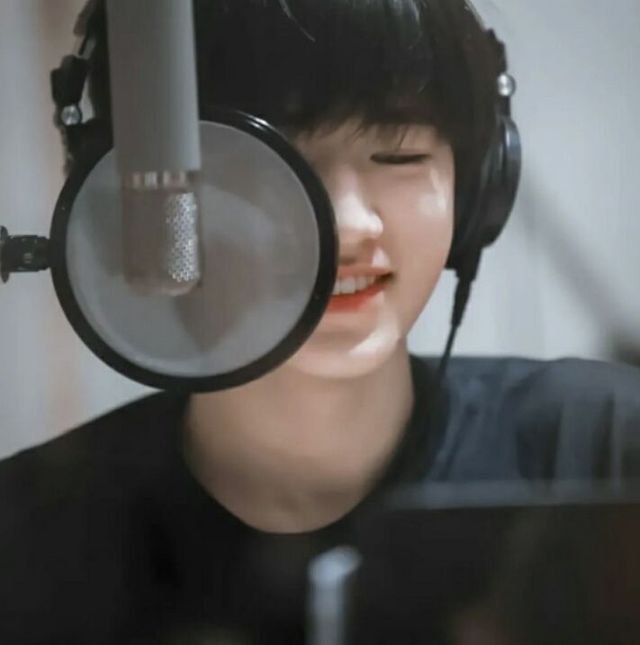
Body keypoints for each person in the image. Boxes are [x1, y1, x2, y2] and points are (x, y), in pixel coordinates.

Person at [1, 0, 639, 643]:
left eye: (399, 155)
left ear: (477, 187)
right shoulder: (29, 536)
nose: (347, 225)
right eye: (269, 163)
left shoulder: (606, 446)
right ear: (144, 208)